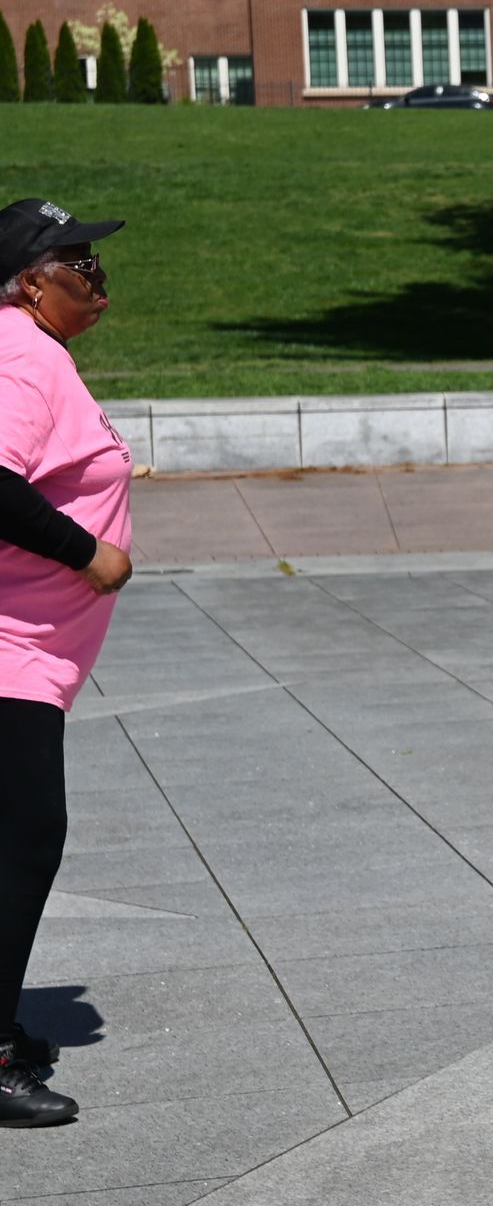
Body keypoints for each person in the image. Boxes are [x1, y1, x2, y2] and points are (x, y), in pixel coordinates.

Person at [0, 198, 136, 1128]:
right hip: (10, 646)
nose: (96, 277)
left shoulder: (31, 349)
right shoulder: (18, 352)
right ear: (28, 281)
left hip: (29, 648)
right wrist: (88, 553)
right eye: (78, 262)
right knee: (24, 841)